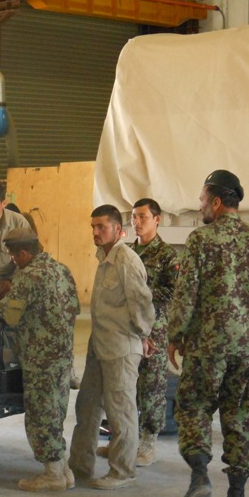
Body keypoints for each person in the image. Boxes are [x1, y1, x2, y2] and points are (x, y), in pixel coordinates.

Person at [168, 170, 249, 497]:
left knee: (194, 408)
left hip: (206, 348)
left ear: (216, 202)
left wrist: (175, 336)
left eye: (202, 200)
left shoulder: (202, 240)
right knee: (242, 417)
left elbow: (186, 295)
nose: (200, 207)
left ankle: (200, 475)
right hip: (248, 350)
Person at [68, 205, 155, 490]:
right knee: (87, 407)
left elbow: (142, 303)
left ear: (118, 230)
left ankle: (122, 471)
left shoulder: (126, 260)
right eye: (93, 227)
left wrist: (143, 335)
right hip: (99, 345)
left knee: (121, 412)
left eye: (101, 227)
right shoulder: (103, 257)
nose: (95, 232)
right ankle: (79, 467)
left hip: (120, 348)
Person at [97, 198, 178, 466]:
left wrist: (140, 294)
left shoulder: (167, 255)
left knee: (151, 387)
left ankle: (147, 442)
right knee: (123, 387)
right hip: (127, 329)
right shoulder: (126, 252)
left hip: (154, 328)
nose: (137, 222)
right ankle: (122, 441)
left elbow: (172, 292)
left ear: (157, 219)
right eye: (133, 217)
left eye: (143, 216)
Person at [0, 227, 80, 491]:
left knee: (39, 417)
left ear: (23, 253)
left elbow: (10, 317)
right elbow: (74, 309)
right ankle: (64, 471)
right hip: (63, 358)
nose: (13, 261)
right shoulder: (62, 270)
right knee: (56, 412)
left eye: (13, 256)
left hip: (39, 360)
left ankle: (53, 474)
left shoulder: (28, 277)